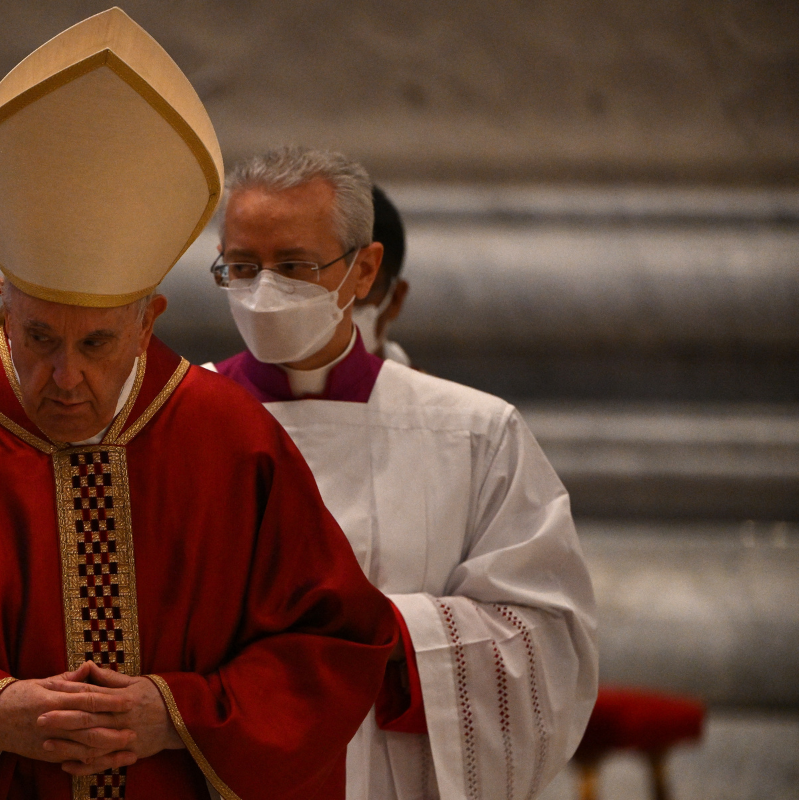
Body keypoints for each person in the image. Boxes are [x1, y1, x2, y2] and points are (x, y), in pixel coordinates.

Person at [0, 16, 398, 800]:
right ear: (3, 299)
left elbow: (335, 642)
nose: (63, 376)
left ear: (149, 320)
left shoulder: (226, 436)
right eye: (39, 336)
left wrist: (177, 711)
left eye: (98, 345)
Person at [209, 146, 598, 800]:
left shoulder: (473, 432)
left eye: (295, 266)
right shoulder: (170, 420)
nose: (264, 290)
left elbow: (547, 640)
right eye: (242, 267)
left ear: (363, 271)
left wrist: (390, 633)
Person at [351, 187, 410, 365]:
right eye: (325, 291)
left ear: (395, 299)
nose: (338, 310)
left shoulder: (426, 391)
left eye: (360, 292)